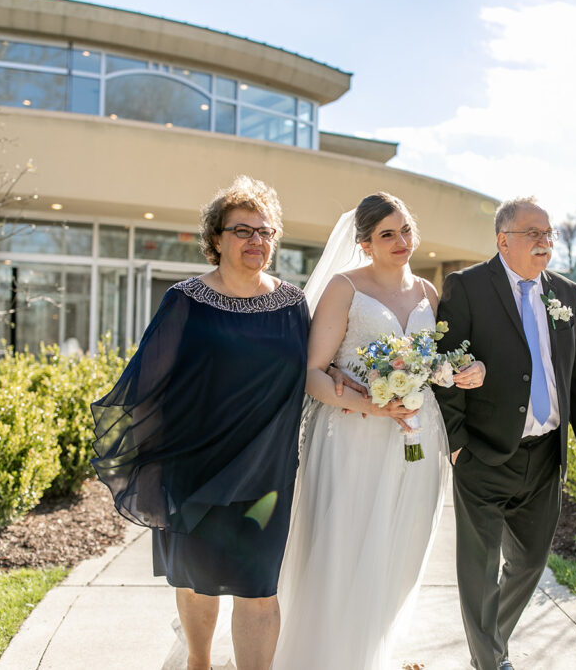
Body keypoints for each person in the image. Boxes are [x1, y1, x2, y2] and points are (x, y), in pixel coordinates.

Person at [91, 176, 307, 670]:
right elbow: (148, 381)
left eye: (265, 231)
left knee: (258, 586)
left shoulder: (293, 304)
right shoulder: (186, 299)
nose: (257, 241)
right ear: (215, 238)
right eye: (243, 230)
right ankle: (199, 662)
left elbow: (313, 372)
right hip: (195, 466)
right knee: (195, 579)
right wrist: (149, 459)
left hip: (268, 471)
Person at [272, 193, 486, 670]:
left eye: (406, 229)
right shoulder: (344, 288)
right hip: (353, 435)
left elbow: (439, 366)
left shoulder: (430, 294)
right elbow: (311, 372)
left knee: (402, 546)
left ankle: (374, 654)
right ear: (365, 243)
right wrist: (369, 403)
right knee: (346, 545)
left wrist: (466, 371)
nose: (401, 241)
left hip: (418, 435)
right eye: (387, 234)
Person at [434, 195, 576, 670]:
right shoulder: (466, 286)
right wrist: (457, 444)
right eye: (534, 233)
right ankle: (489, 662)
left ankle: (491, 646)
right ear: (502, 240)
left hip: (544, 456)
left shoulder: (566, 294)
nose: (544, 242)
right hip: (483, 455)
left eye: (549, 233)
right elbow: (444, 368)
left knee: (529, 564)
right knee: (479, 570)